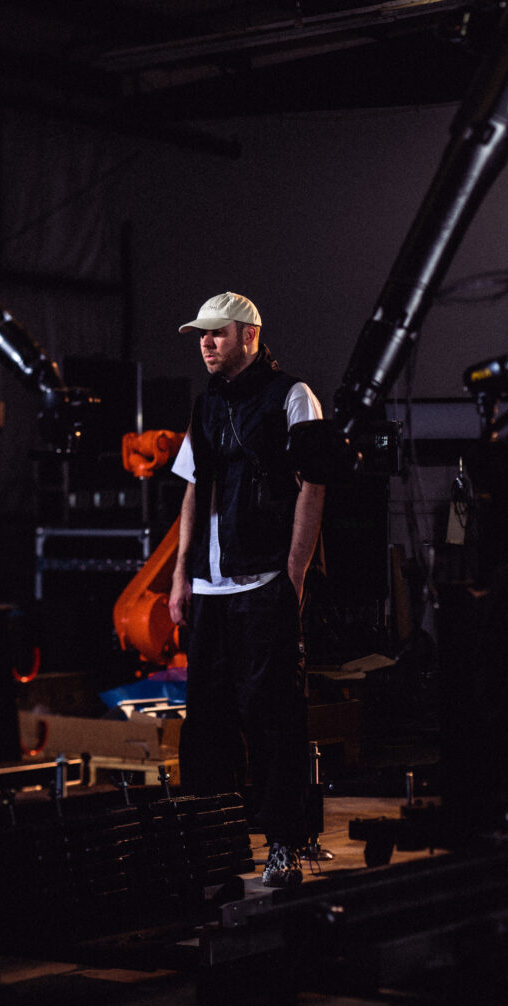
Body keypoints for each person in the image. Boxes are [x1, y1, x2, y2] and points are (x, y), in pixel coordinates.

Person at [168, 291, 325, 887]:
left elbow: (314, 484)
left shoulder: (292, 396)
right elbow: (190, 490)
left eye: (217, 334)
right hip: (209, 590)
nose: (206, 343)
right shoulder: (206, 405)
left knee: (274, 717)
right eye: (201, 335)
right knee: (206, 723)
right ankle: (215, 849)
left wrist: (294, 571)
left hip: (263, 580)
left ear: (249, 336)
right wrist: (181, 574)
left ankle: (284, 845)